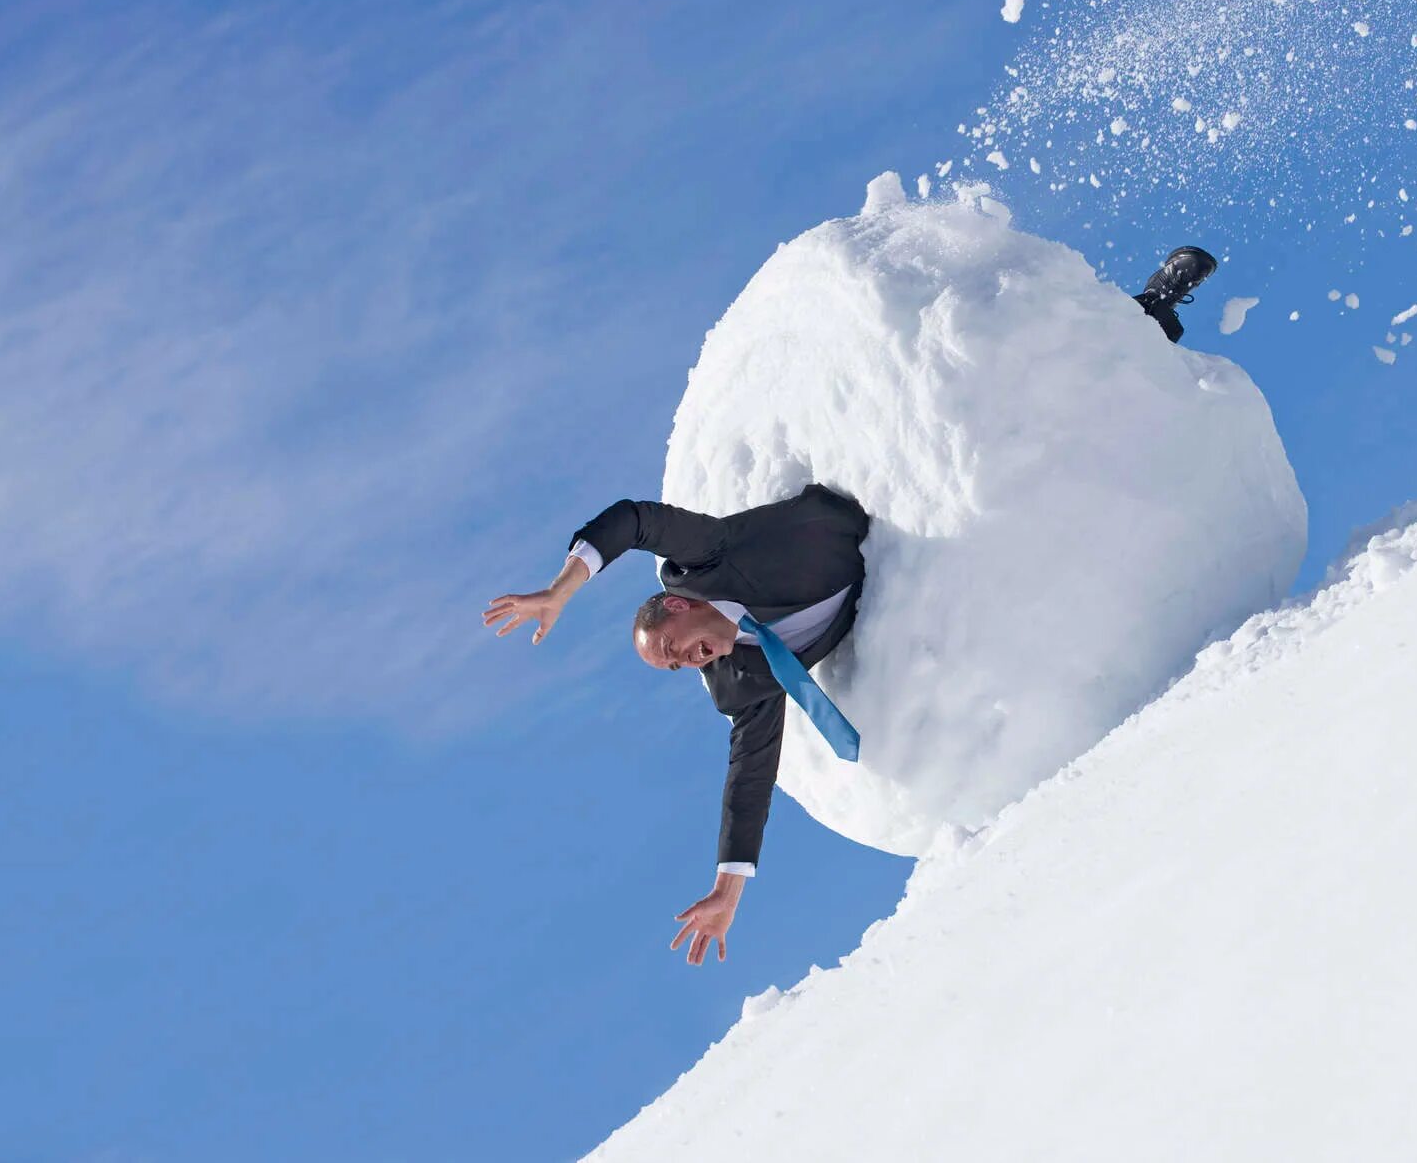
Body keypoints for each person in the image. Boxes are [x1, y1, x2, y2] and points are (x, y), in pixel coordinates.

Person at [481, 244, 1219, 965]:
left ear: (675, 609)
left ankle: (1147, 308)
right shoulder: (742, 682)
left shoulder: (705, 559)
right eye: (679, 671)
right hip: (940, 576)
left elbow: (633, 519)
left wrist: (561, 587)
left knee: (1018, 404)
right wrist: (727, 888)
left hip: (899, 476)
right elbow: (746, 780)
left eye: (676, 651)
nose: (691, 665)